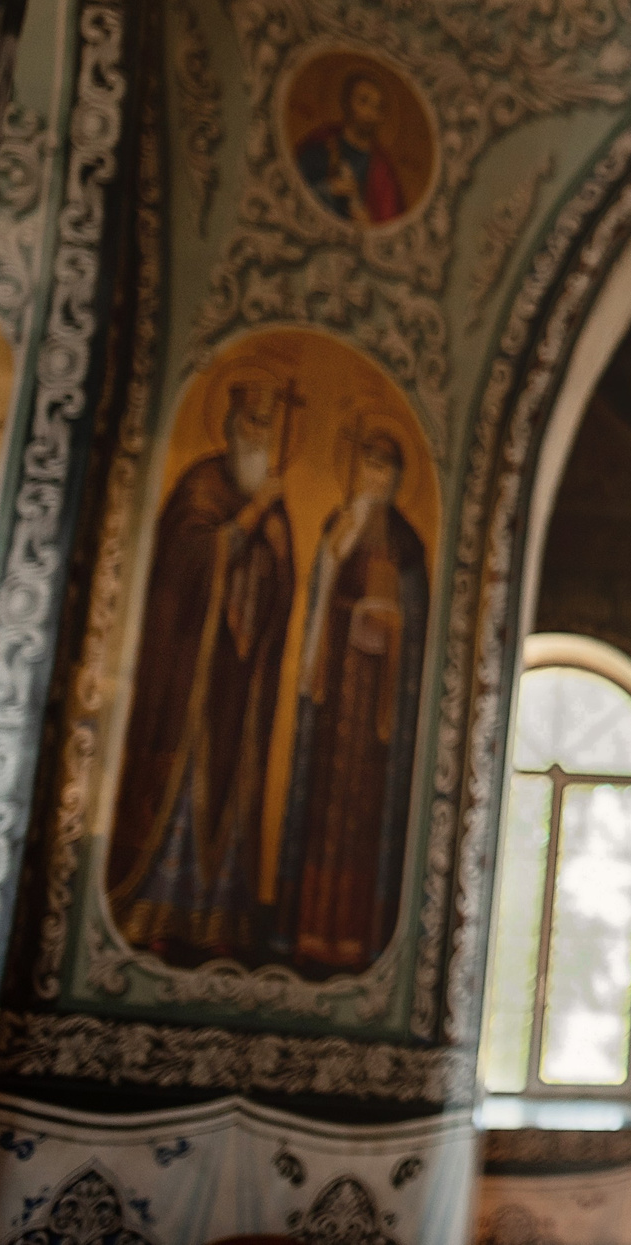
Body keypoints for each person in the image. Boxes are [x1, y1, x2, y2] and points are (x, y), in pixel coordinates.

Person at [105, 377, 298, 965]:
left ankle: (222, 922)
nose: (259, 439)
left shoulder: (271, 500)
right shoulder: (202, 485)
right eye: (252, 425)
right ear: (232, 426)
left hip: (241, 680)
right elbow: (183, 561)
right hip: (189, 671)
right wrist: (247, 525)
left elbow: (284, 586)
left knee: (234, 796)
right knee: (181, 788)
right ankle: (157, 912)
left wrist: (275, 549)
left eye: (267, 429)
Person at [272, 427, 431, 977]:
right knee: (318, 804)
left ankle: (358, 934)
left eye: (385, 468)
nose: (375, 476)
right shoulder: (337, 528)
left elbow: (413, 618)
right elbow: (320, 593)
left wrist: (387, 623)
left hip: (377, 716)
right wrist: (343, 615)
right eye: (368, 465)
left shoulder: (407, 545)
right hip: (334, 694)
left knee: (364, 814)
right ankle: (303, 924)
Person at [294, 70, 409, 226]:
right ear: (347, 102)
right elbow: (291, 192)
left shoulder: (383, 170)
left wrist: (371, 224)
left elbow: (393, 221)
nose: (370, 113)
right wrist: (328, 190)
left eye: (378, 107)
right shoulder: (321, 145)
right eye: (363, 101)